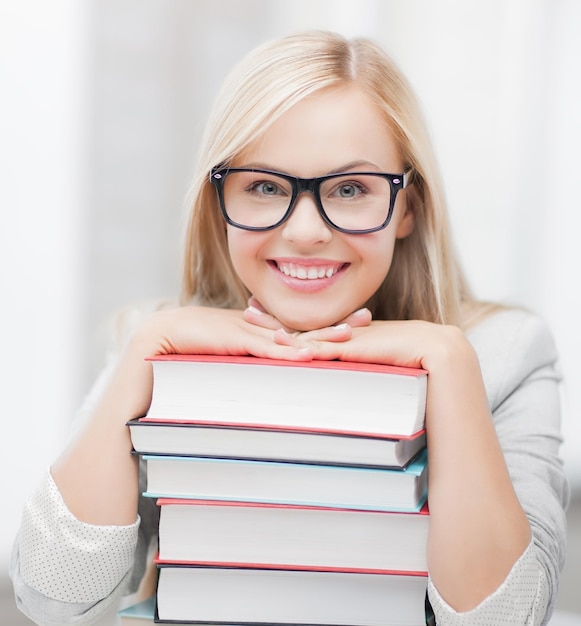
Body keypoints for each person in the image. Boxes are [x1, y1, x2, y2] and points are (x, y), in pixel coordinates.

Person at [10, 30, 568, 626]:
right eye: (266, 187)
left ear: (408, 207)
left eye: (351, 189)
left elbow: (507, 619)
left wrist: (450, 363)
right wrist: (146, 353)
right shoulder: (157, 340)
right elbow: (51, 601)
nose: (305, 231)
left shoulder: (505, 353)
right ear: (217, 201)